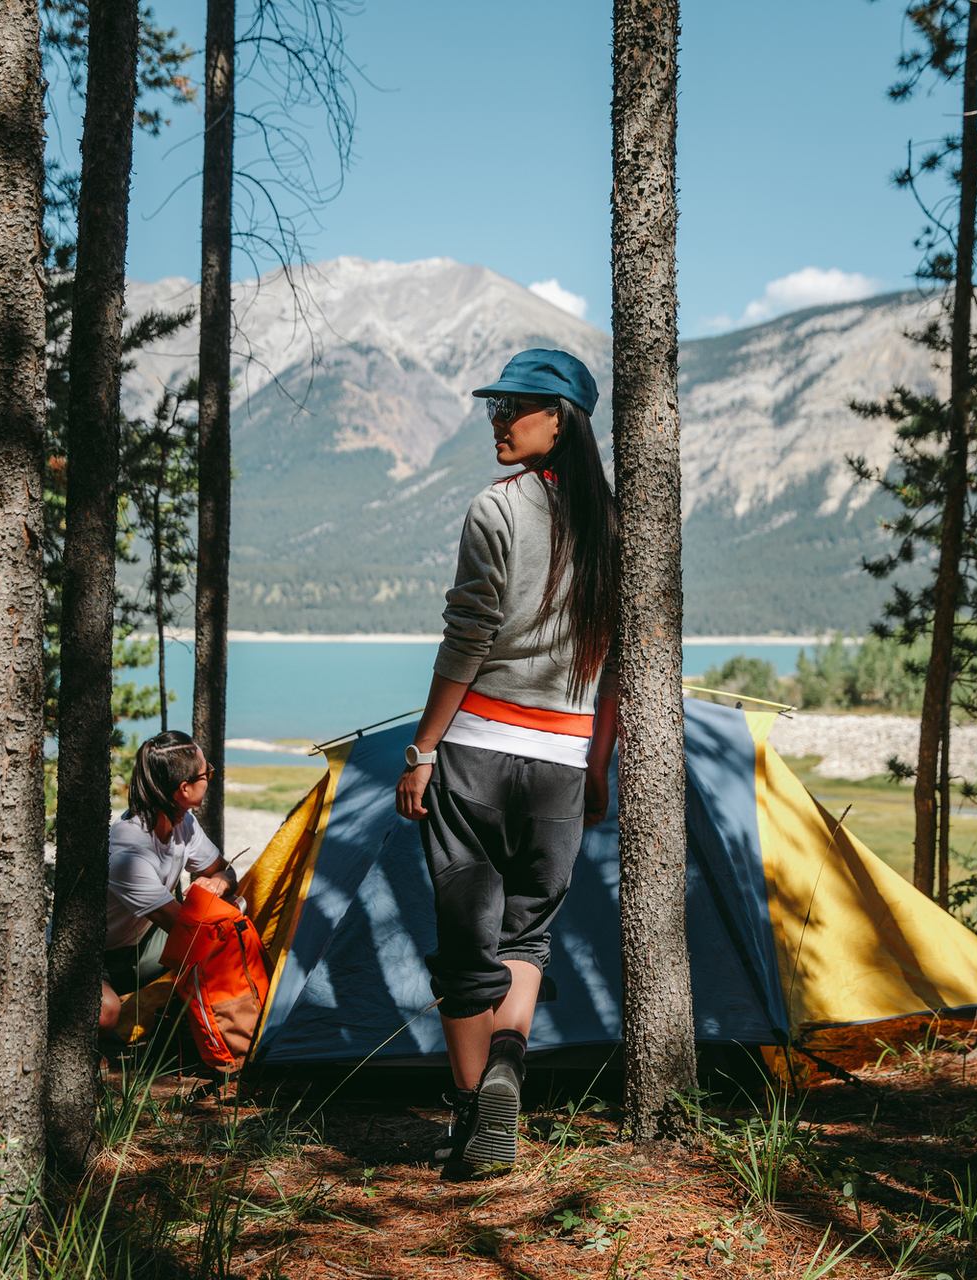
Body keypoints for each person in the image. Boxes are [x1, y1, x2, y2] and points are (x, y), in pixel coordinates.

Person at [395, 348, 618, 1174]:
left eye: (513, 408)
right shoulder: (613, 525)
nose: (498, 420)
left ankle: (469, 1115)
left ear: (558, 419)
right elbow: (617, 663)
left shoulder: (497, 510)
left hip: (479, 754)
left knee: (466, 949)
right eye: (496, 408)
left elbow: (468, 638)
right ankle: (507, 1077)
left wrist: (422, 751)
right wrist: (598, 765)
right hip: (563, 762)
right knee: (528, 939)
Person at [99, 730, 240, 1034]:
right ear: (184, 789)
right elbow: (184, 929)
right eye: (207, 773)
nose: (211, 777)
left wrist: (220, 885)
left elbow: (225, 871)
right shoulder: (128, 851)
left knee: (233, 911)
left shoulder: (183, 822)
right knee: (106, 1014)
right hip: (96, 957)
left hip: (141, 945)